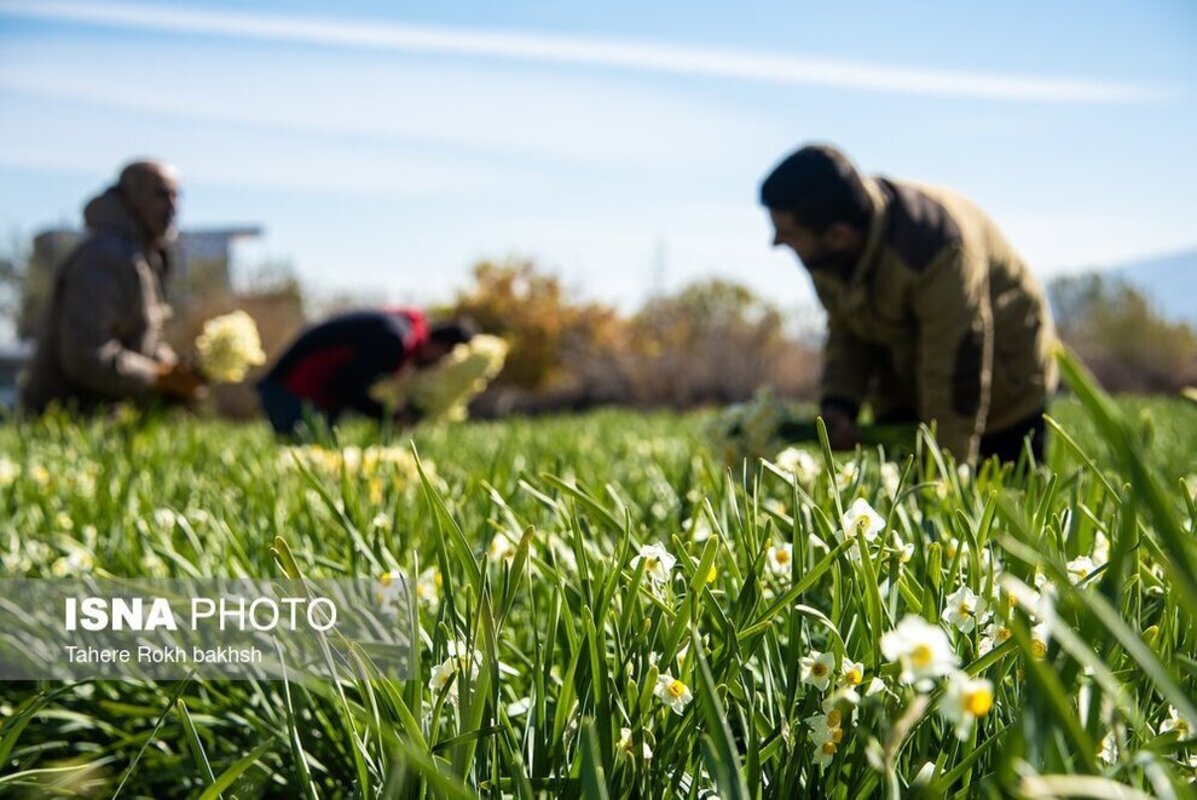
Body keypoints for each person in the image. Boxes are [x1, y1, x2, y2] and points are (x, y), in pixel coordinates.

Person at [759, 144, 1058, 464]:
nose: (776, 242)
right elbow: (847, 328)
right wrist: (839, 406)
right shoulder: (829, 254)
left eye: (787, 232)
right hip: (911, 384)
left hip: (1002, 383)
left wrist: (945, 475)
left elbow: (956, 371)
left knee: (999, 496)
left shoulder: (935, 247)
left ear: (838, 235)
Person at [22, 160, 204, 414]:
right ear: (131, 197)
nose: (173, 206)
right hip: (67, 422)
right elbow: (86, 355)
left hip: (104, 425)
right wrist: (157, 377)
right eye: (162, 194)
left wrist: (174, 369)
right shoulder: (105, 257)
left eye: (177, 195)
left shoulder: (142, 256)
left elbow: (139, 341)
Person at [256, 308, 475, 435]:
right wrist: (392, 416)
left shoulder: (403, 329)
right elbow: (344, 387)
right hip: (293, 392)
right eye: (443, 357)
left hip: (301, 391)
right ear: (440, 345)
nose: (438, 364)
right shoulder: (395, 341)